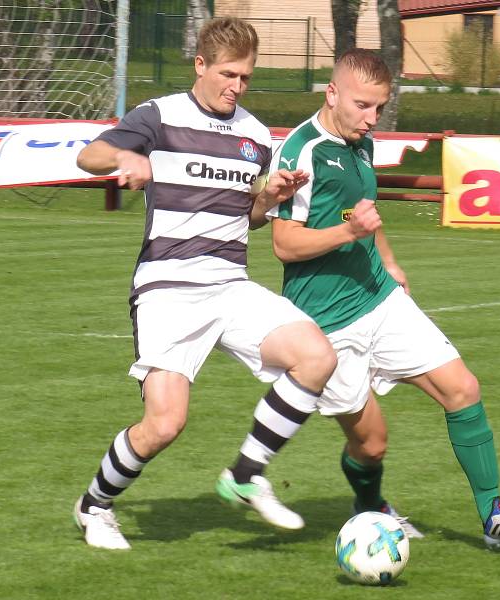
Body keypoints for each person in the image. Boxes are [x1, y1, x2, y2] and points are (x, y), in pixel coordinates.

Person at [219, 48, 500, 551]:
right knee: (371, 445)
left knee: (463, 388)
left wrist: (387, 258)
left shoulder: (361, 142)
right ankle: (370, 507)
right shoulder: (301, 151)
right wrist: (350, 232)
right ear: (332, 94)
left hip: (379, 299)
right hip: (325, 324)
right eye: (363, 106)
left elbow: (363, 211)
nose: (371, 119)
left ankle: (493, 514)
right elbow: (285, 244)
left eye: (380, 108)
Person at [72, 17, 338, 551]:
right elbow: (88, 156)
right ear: (200, 65)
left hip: (230, 283)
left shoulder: (256, 135)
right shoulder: (160, 114)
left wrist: (270, 195)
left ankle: (246, 473)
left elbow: (251, 216)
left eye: (245, 77)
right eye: (228, 73)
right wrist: (125, 156)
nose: (236, 86)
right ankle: (95, 505)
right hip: (168, 285)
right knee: (164, 425)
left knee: (317, 358)